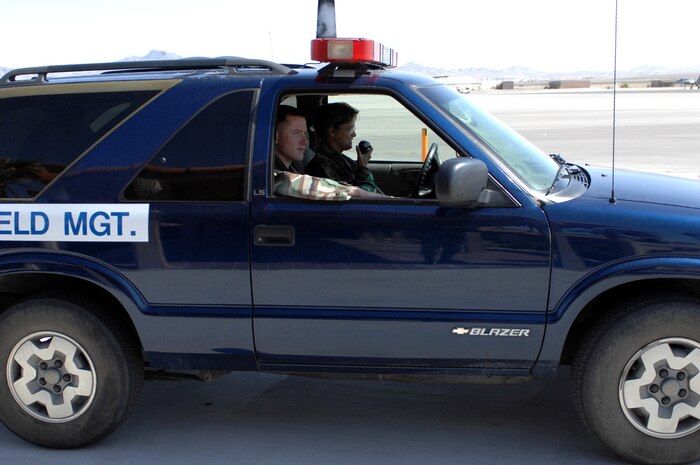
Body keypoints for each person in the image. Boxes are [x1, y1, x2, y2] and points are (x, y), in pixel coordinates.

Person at [273, 105, 385, 200]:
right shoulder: (273, 176)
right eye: (296, 133)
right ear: (275, 136)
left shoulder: (294, 167)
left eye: (305, 133)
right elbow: (353, 199)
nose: (305, 141)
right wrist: (362, 173)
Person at [304, 102, 380, 192]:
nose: (354, 134)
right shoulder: (322, 168)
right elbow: (361, 198)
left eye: (353, 129)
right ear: (332, 131)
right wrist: (362, 169)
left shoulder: (340, 159)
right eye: (349, 129)